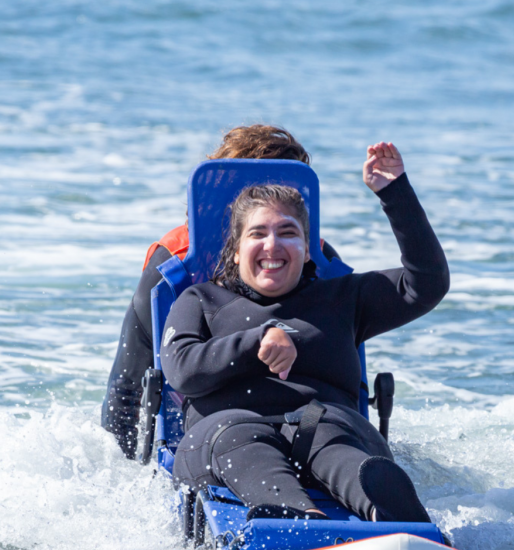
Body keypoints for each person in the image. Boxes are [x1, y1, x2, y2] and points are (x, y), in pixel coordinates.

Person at [160, 142, 449, 522]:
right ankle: (294, 518)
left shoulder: (343, 297)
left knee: (337, 440)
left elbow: (427, 283)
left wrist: (394, 193)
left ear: (308, 249)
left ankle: (394, 514)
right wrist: (257, 341)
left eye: (288, 233)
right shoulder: (201, 299)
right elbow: (181, 370)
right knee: (240, 437)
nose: (272, 245)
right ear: (235, 250)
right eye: (257, 233)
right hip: (226, 433)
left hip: (325, 424)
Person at [101, 125, 339, 459]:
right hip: (219, 425)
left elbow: (124, 390)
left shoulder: (315, 258)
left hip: (302, 422)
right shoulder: (173, 263)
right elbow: (129, 389)